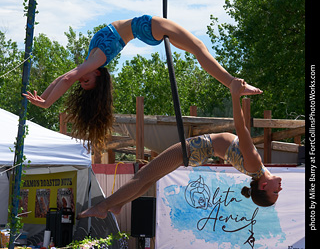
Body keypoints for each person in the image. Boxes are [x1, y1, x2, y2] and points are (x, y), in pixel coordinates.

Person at [23, 15, 262, 151]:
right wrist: (45, 104)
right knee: (198, 48)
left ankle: (233, 83)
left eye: (82, 82)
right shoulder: (98, 60)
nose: (81, 78)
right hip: (146, 27)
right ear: (98, 76)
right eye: (86, 82)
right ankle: (233, 84)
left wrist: (44, 98)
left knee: (198, 48)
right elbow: (68, 78)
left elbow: (63, 77)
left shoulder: (90, 62)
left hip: (144, 28)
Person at [76, 78, 281, 220]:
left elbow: (240, 127)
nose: (279, 188)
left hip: (193, 150)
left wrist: (235, 96)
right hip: (196, 153)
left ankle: (102, 207)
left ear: (263, 187)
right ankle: (119, 204)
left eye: (275, 192)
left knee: (143, 176)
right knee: (149, 178)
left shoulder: (255, 165)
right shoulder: (257, 169)